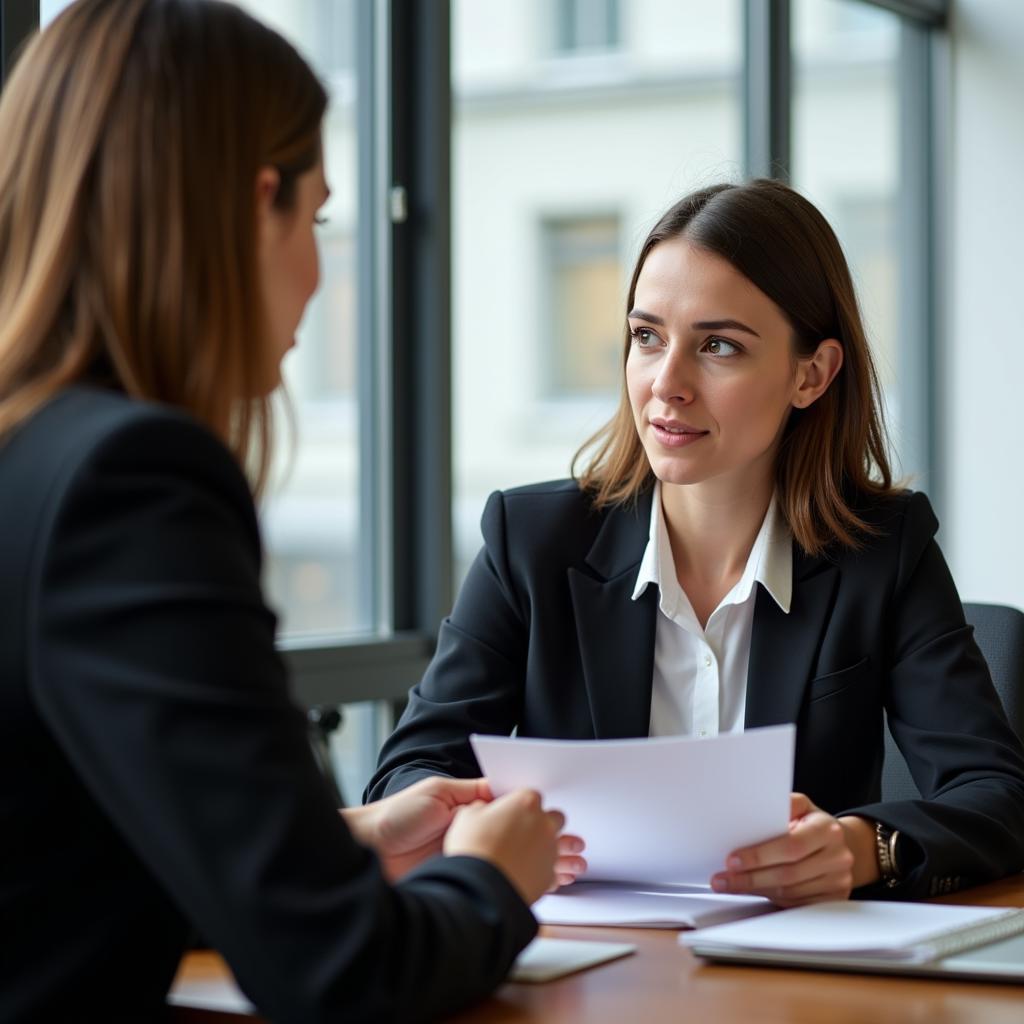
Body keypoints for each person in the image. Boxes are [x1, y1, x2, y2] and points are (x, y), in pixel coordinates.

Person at [0, 2, 576, 1021]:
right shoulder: (130, 481)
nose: (316, 277)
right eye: (314, 219)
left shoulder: (33, 451)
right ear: (250, 204)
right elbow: (344, 971)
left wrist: (341, 841)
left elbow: (52, 857)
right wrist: (491, 877)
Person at [368, 178, 1024, 906]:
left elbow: (996, 794)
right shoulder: (531, 543)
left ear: (811, 374)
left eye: (718, 346)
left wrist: (860, 847)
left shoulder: (883, 553)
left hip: (798, 977)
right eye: (647, 337)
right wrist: (481, 831)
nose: (666, 384)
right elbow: (410, 774)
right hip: (580, 970)